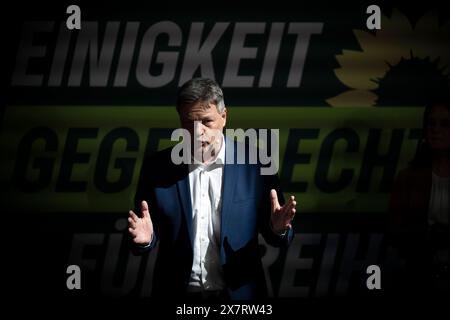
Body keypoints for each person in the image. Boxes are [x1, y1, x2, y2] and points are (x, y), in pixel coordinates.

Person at [128, 78, 296, 300]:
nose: (198, 132)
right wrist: (145, 239)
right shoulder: (157, 168)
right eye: (189, 123)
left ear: (224, 116)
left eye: (207, 122)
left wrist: (278, 229)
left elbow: (277, 234)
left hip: (240, 297)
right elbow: (146, 229)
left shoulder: (257, 164)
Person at [389, 98, 449, 294]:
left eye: (444, 124)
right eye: (431, 123)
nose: (435, 129)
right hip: (420, 279)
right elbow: (395, 233)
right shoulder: (408, 178)